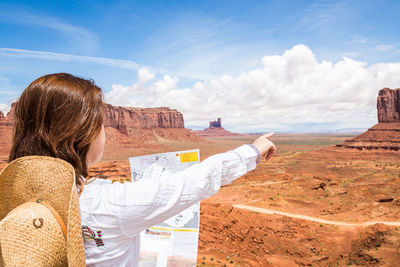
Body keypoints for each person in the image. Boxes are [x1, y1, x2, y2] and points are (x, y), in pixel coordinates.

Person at [7, 73, 276, 266]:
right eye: (101, 124)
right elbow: (196, 180)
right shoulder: (109, 203)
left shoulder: (10, 197)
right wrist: (254, 150)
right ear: (82, 134)